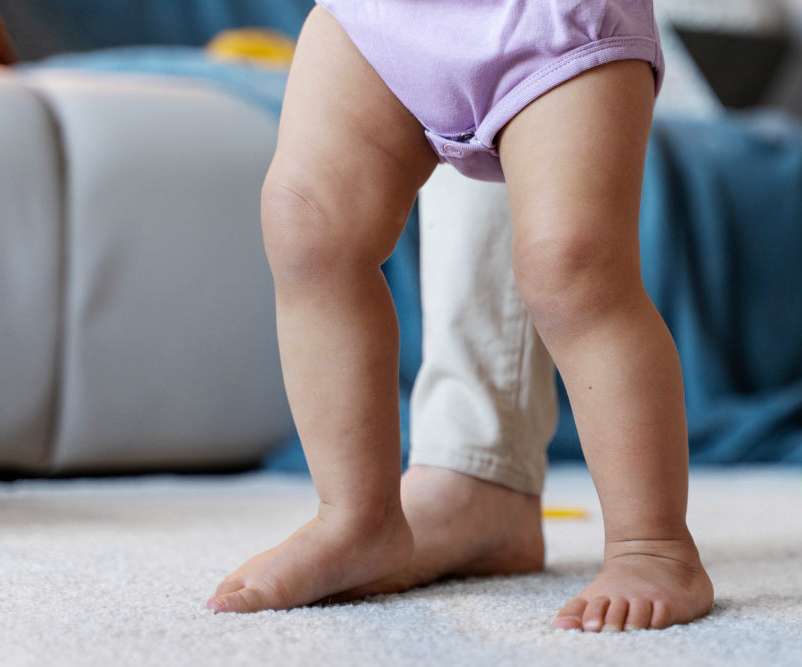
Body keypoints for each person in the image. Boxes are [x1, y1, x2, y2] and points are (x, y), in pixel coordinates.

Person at [207, 1, 714, 632]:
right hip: (377, 18)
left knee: (572, 268)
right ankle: (356, 518)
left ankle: (652, 545)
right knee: (308, 227)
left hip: (549, 21)